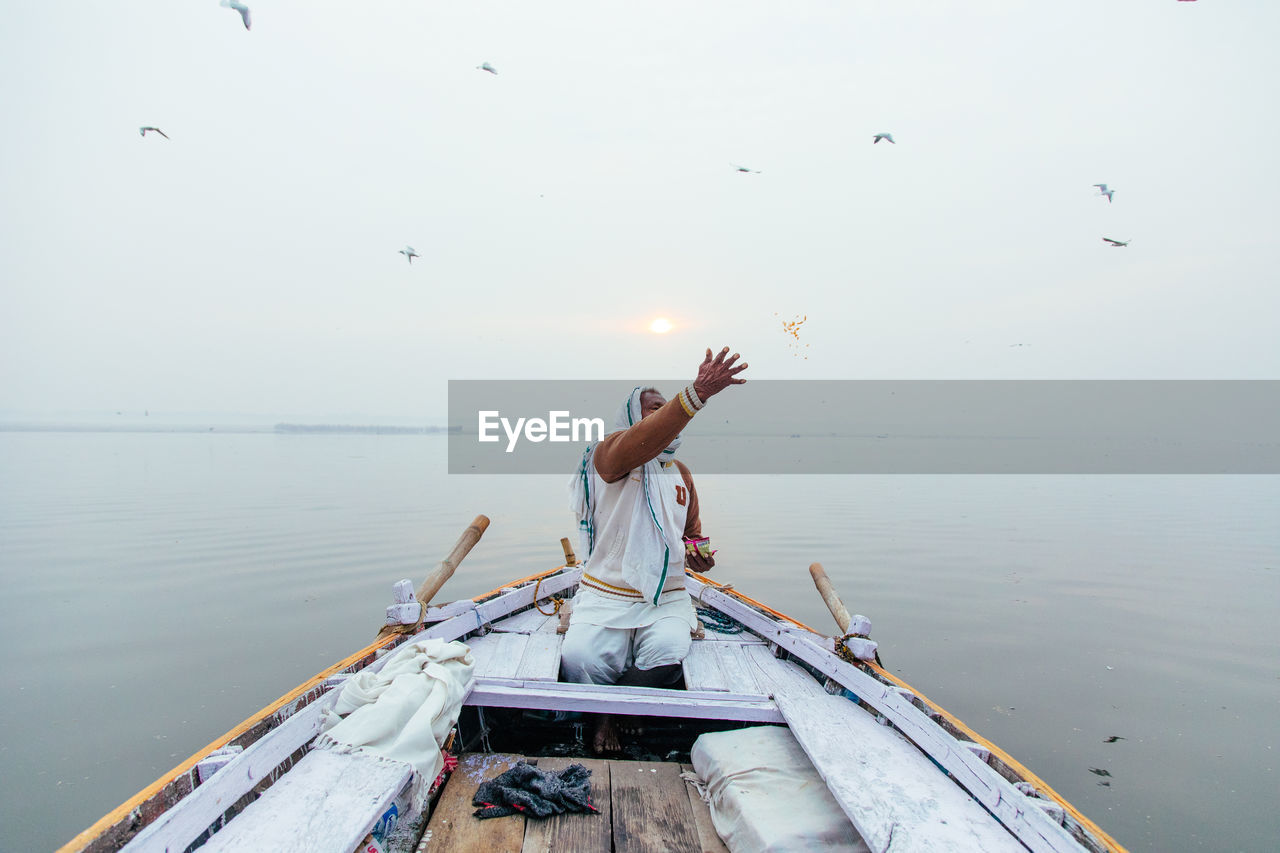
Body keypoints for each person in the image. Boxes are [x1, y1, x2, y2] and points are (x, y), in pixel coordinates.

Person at [563, 346, 748, 753]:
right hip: (605, 593)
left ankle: (611, 715)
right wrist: (696, 394)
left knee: (669, 650)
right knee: (578, 658)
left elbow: (694, 539)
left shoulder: (680, 473)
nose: (661, 415)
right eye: (651, 409)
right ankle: (624, 709)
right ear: (631, 417)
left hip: (666, 597)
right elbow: (634, 448)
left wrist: (702, 558)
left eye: (664, 408)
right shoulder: (608, 454)